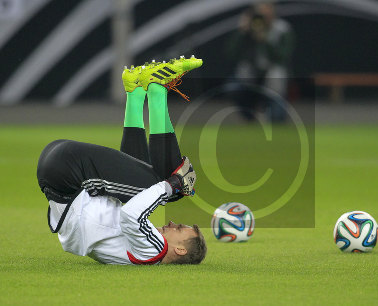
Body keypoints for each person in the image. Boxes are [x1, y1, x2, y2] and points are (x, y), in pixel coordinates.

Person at [36, 56, 207, 265]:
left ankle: (157, 88)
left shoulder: (155, 251)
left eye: (179, 229)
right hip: (58, 171)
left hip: (70, 170)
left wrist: (174, 185)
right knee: (153, 188)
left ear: (179, 250)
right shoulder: (140, 250)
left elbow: (131, 215)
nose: (171, 222)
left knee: (172, 190)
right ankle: (135, 92)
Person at [226, 2, 295, 122]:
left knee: (277, 117)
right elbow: (231, 53)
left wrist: (265, 40)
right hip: (251, 74)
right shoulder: (248, 28)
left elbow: (283, 56)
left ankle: (274, 115)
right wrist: (242, 33)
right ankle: (250, 117)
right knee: (233, 87)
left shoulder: (282, 29)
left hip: (273, 75)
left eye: (267, 11)